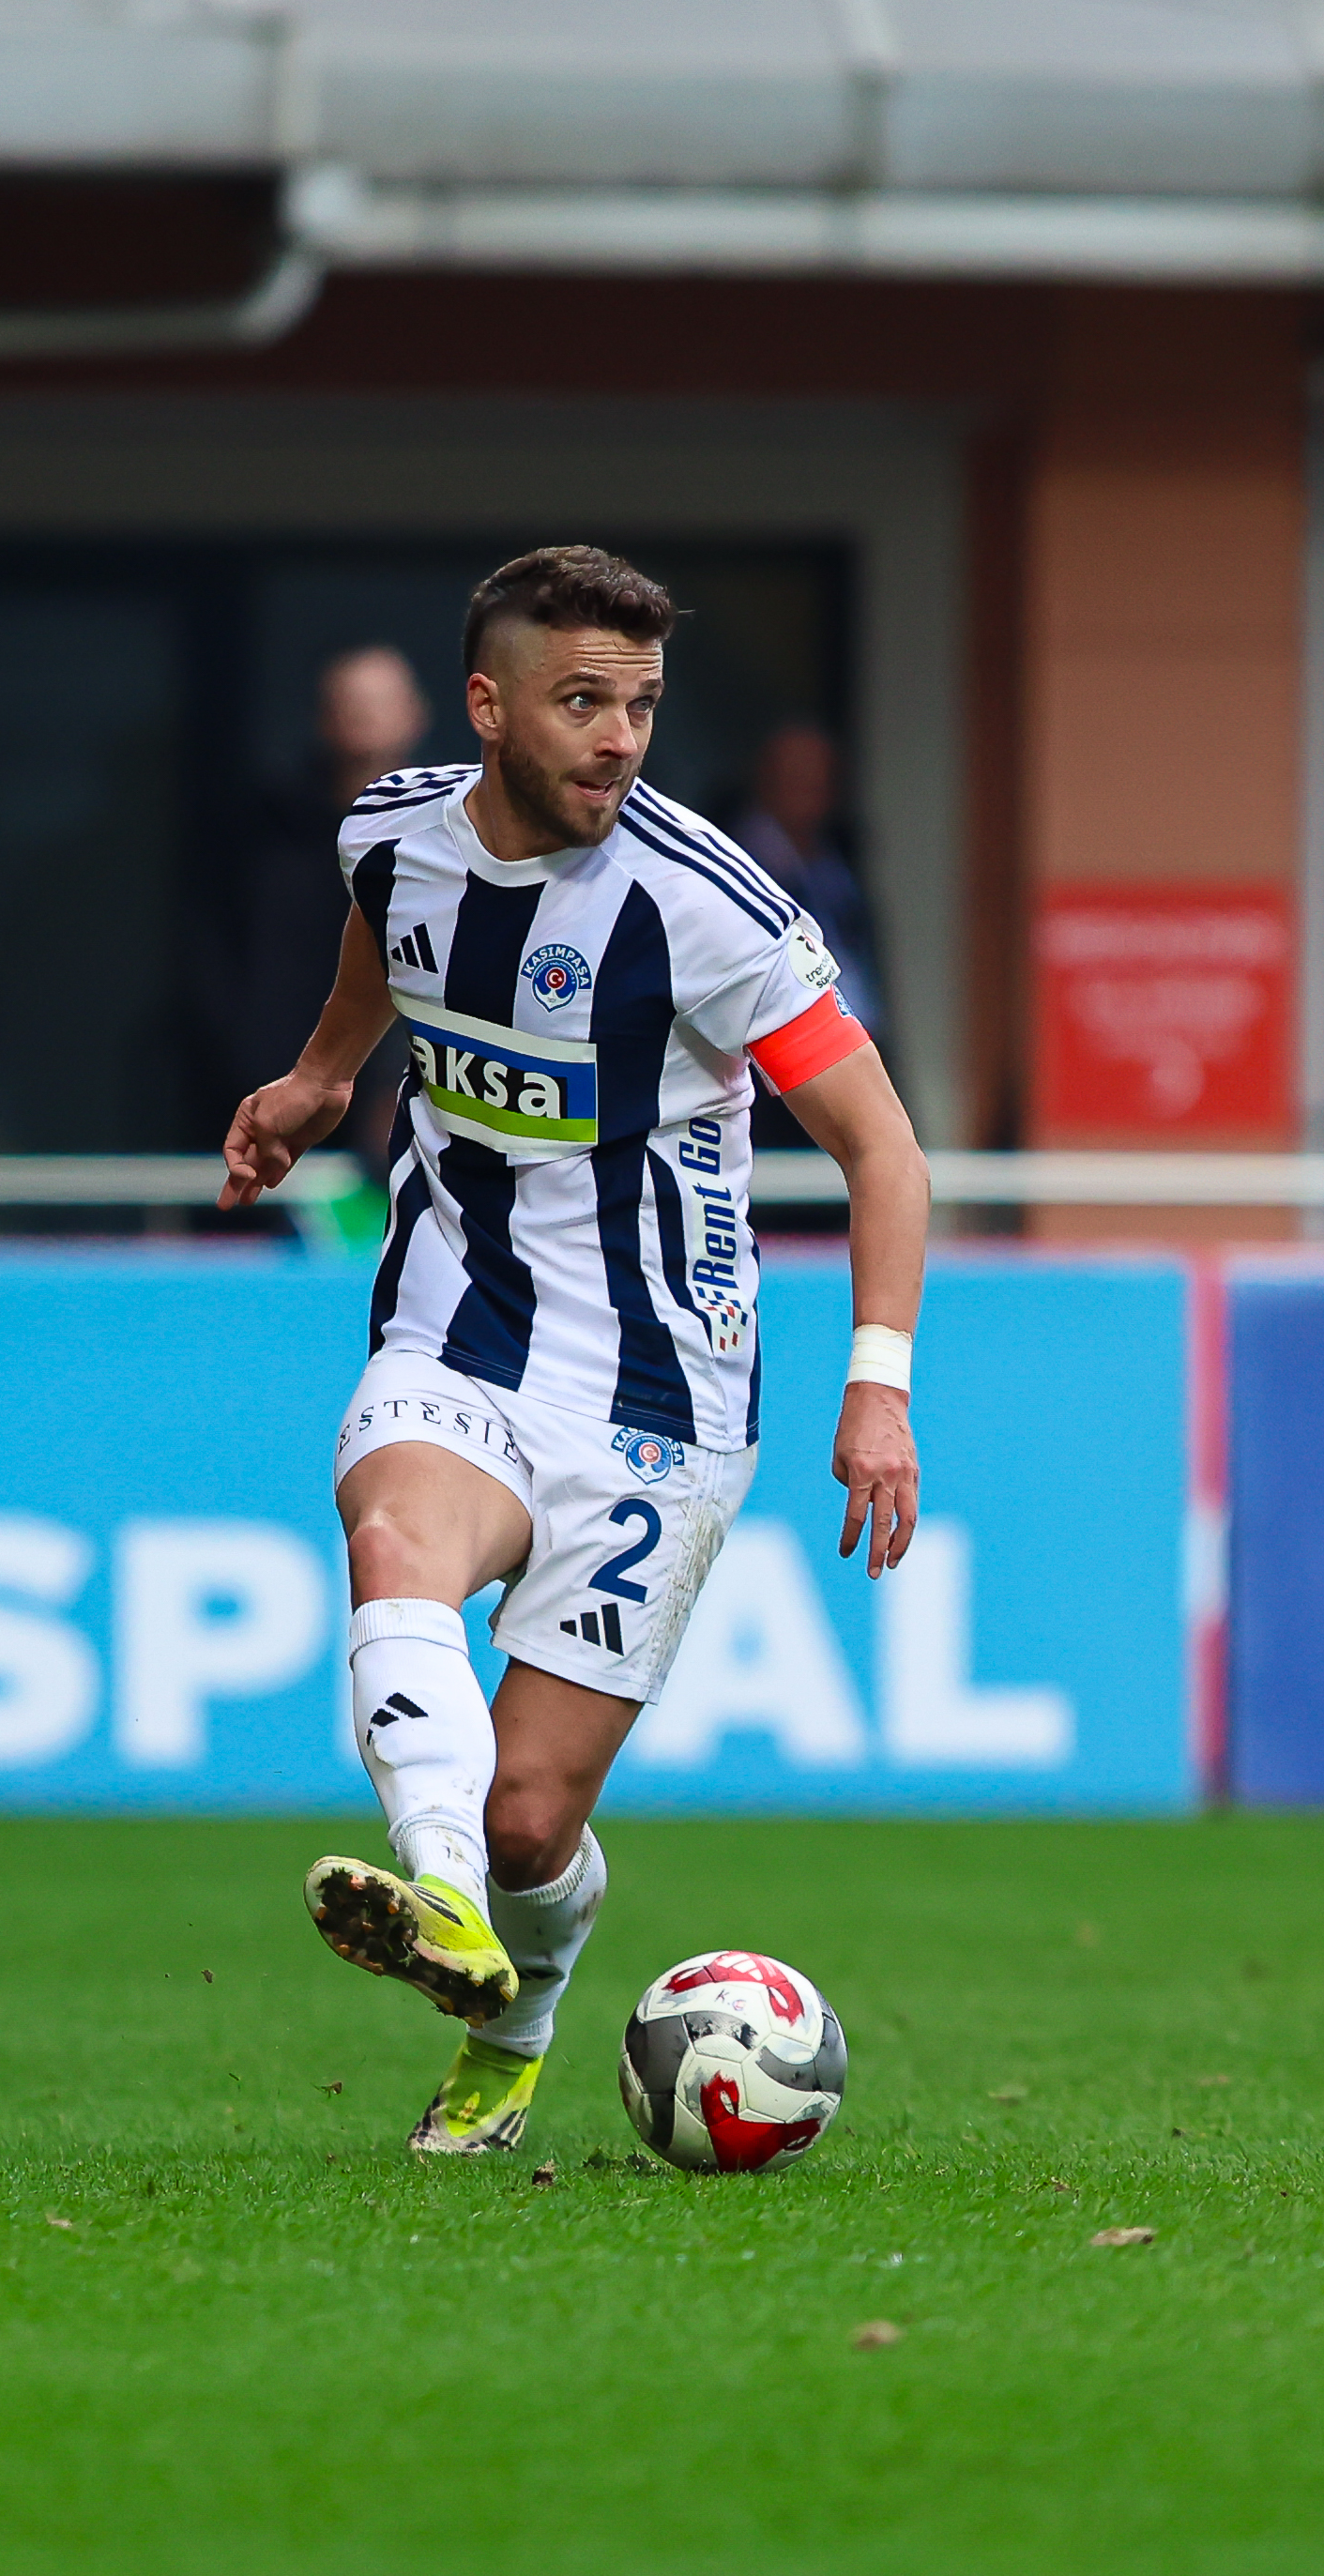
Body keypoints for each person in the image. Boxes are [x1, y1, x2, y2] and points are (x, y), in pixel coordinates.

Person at [218, 545, 928, 2157]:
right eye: (583, 702)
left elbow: (883, 1150)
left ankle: (512, 2007)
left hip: (662, 1388)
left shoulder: (710, 908)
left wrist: (876, 1384)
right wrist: (324, 1076)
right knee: (393, 1534)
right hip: (457, 1320)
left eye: (643, 706)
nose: (619, 739)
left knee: (535, 1819)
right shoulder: (391, 833)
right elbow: (383, 942)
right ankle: (441, 1898)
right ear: (488, 705)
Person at [223, 646, 432, 1125]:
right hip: (278, 1096)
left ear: (416, 715)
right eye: (352, 704)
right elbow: (235, 972)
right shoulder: (268, 843)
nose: (366, 718)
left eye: (380, 703)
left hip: (418, 1105)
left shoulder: (458, 839)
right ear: (325, 718)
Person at [733, 720, 883, 1038]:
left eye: (821, 779)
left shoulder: (837, 858)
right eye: (797, 777)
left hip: (857, 1030)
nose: (812, 790)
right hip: (787, 1038)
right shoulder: (740, 859)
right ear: (767, 778)